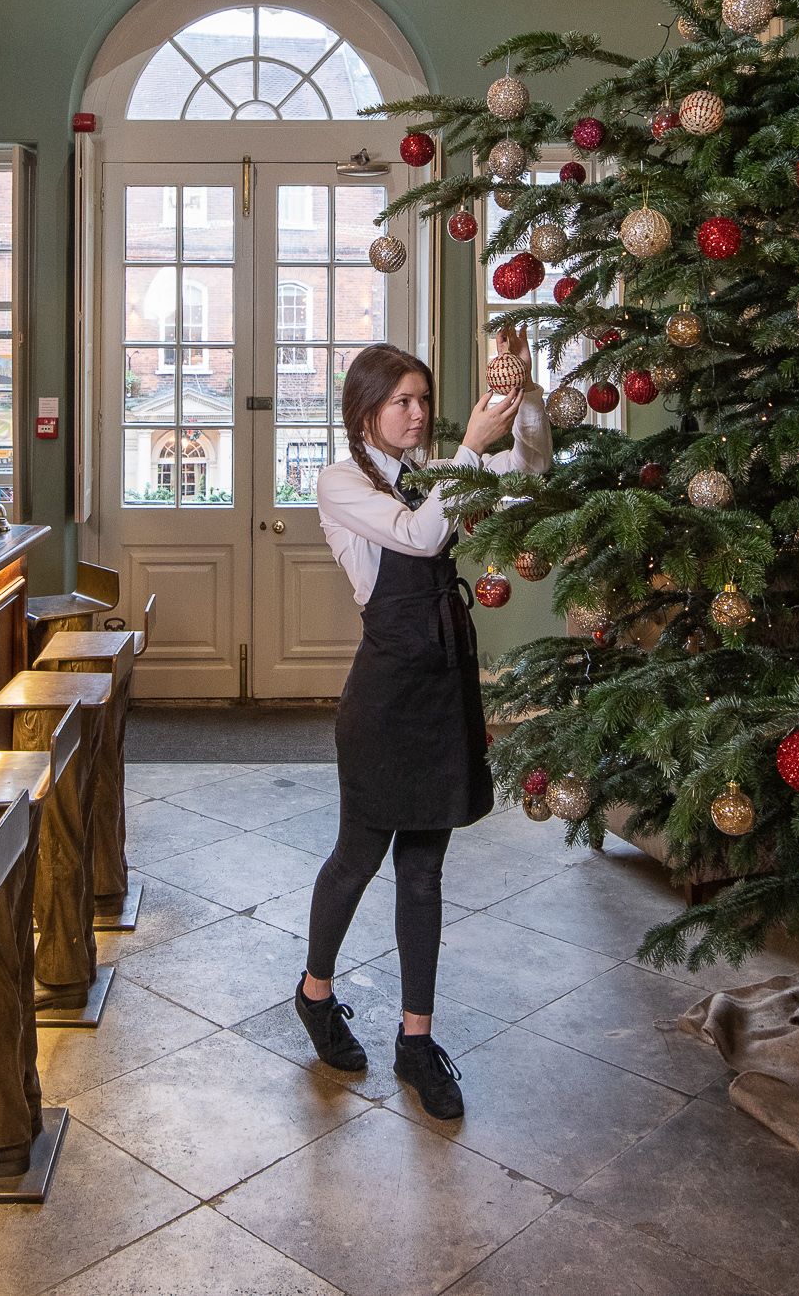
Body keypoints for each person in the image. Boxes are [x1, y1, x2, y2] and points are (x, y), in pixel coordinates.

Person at [290, 329, 548, 1119]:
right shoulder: (341, 483)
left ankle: (415, 1039)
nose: (416, 412)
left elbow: (530, 469)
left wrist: (526, 397)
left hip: (443, 686)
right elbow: (418, 534)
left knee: (425, 871)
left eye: (423, 400)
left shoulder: (438, 472)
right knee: (356, 858)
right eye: (400, 400)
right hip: (384, 696)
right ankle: (314, 991)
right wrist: (469, 448)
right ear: (363, 411)